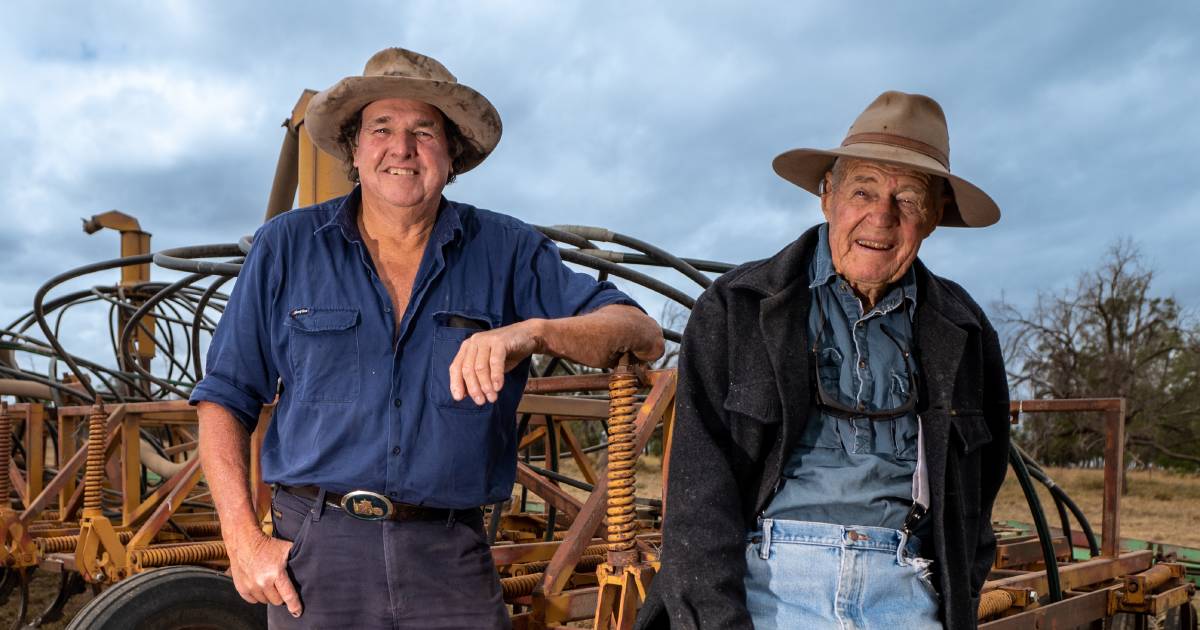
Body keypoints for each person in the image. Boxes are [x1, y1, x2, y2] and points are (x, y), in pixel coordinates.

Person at [191, 47, 663, 629]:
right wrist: (241, 540)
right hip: (316, 552)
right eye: (382, 128)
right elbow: (225, 396)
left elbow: (640, 333)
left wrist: (532, 332)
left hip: (449, 554)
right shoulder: (286, 247)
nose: (402, 149)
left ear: (452, 153)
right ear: (354, 148)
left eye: (424, 130)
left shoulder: (506, 249)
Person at [636, 91, 1010, 629]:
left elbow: (980, 494)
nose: (881, 217)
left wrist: (952, 599)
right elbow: (699, 494)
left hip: (902, 589)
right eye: (863, 190)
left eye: (907, 199)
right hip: (764, 583)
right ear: (827, 195)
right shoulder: (737, 308)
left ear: (932, 218)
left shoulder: (965, 330)